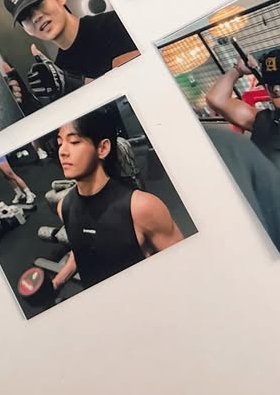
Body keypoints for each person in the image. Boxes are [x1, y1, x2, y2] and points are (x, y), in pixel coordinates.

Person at [49, 107, 185, 295]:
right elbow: (82, 249)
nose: (63, 151)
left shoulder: (141, 208)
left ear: (102, 148)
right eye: (60, 142)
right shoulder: (64, 207)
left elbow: (184, 266)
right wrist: (57, 282)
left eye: (74, 142)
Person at [205, 45, 280, 243]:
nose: (276, 90)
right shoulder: (259, 118)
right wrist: (237, 71)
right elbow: (215, 99)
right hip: (263, 219)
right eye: (271, 85)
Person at [3, 0, 140, 91]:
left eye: (38, 3)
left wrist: (77, 83)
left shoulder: (114, 23)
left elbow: (137, 79)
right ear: (26, 30)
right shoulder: (61, 72)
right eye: (25, 17)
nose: (35, 18)